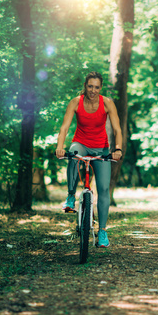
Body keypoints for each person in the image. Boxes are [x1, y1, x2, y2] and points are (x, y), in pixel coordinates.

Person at [55, 71, 123, 248]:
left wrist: (118, 149)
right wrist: (59, 147)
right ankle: (70, 196)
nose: (93, 90)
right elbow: (64, 127)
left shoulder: (107, 103)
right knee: (73, 152)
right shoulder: (76, 102)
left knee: (103, 189)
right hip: (81, 143)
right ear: (85, 86)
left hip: (101, 148)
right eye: (90, 86)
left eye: (97, 87)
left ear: (100, 88)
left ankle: (102, 231)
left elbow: (117, 129)